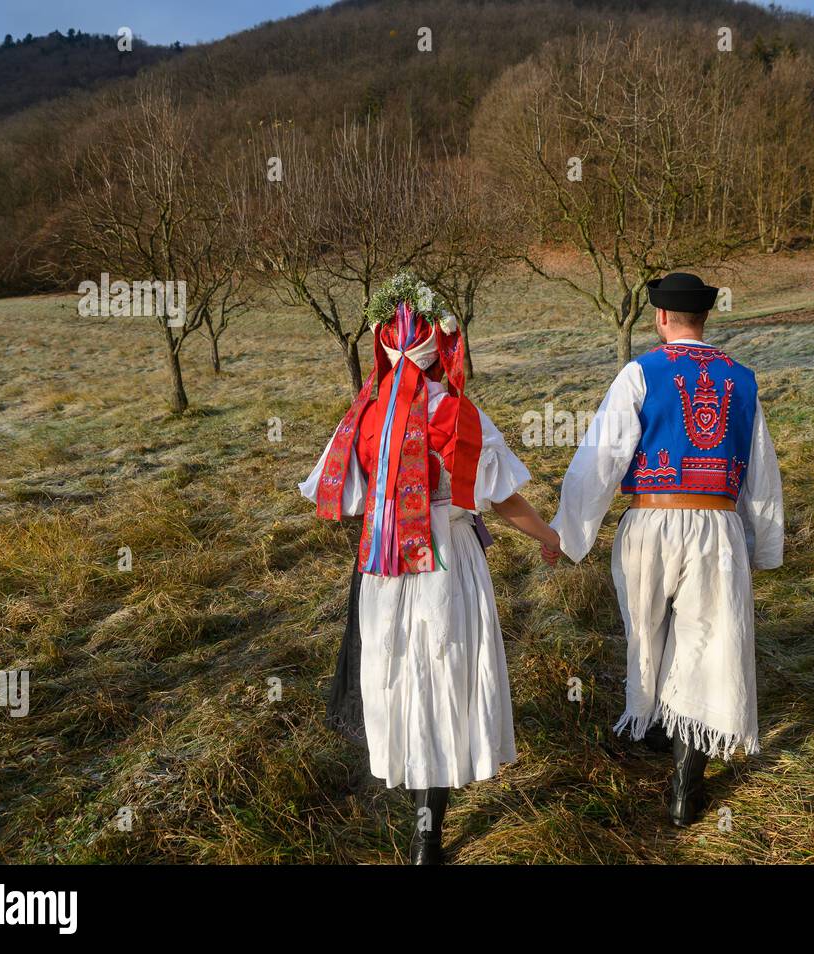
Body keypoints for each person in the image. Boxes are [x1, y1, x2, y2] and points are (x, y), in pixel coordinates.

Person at [301, 277, 561, 864]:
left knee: (401, 672)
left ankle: (417, 807)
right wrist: (552, 538)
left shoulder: (365, 415)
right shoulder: (456, 413)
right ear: (442, 345)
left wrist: (387, 512)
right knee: (441, 673)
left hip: (385, 568)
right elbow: (501, 498)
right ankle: (430, 829)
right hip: (448, 561)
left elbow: (336, 495)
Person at [548, 272, 784, 826]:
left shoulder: (640, 372)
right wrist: (764, 545)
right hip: (717, 523)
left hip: (651, 518)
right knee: (707, 642)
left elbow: (601, 458)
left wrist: (568, 533)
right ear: (704, 318)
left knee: (647, 632)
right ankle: (685, 783)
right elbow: (762, 474)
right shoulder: (742, 380)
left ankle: (655, 728)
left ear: (658, 319)